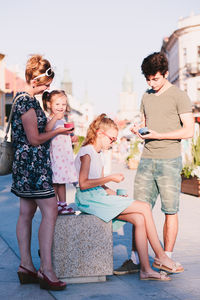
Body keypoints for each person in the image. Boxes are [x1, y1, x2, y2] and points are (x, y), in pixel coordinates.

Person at [74, 113, 184, 281]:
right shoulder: (87, 153)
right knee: (144, 207)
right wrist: (111, 178)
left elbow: (100, 186)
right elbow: (83, 184)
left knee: (139, 219)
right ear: (99, 133)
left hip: (97, 197)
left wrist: (116, 195)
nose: (112, 143)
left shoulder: (97, 154)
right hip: (89, 200)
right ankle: (160, 256)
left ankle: (146, 269)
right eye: (111, 139)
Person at [114, 52, 194, 275]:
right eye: (148, 79)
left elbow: (188, 130)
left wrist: (159, 135)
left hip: (169, 160)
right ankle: (135, 259)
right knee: (138, 210)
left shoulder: (179, 96)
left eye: (155, 79)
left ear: (166, 73)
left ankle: (165, 259)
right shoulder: (146, 96)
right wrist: (139, 131)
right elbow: (146, 124)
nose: (151, 83)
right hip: (147, 159)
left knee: (170, 210)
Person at [11, 55, 69, 290]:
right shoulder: (27, 101)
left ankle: (26, 265)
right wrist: (57, 132)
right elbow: (34, 139)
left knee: (26, 212)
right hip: (33, 168)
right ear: (35, 79)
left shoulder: (22, 99)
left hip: (24, 167)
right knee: (50, 210)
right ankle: (47, 270)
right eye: (46, 83)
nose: (48, 88)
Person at [42, 90, 78, 214]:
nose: (61, 107)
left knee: (61, 182)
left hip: (64, 157)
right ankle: (55, 204)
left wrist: (72, 137)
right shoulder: (49, 119)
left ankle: (63, 204)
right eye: (57, 104)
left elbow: (66, 135)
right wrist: (55, 118)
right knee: (54, 183)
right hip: (55, 157)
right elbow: (47, 130)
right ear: (49, 105)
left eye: (63, 104)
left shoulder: (63, 121)